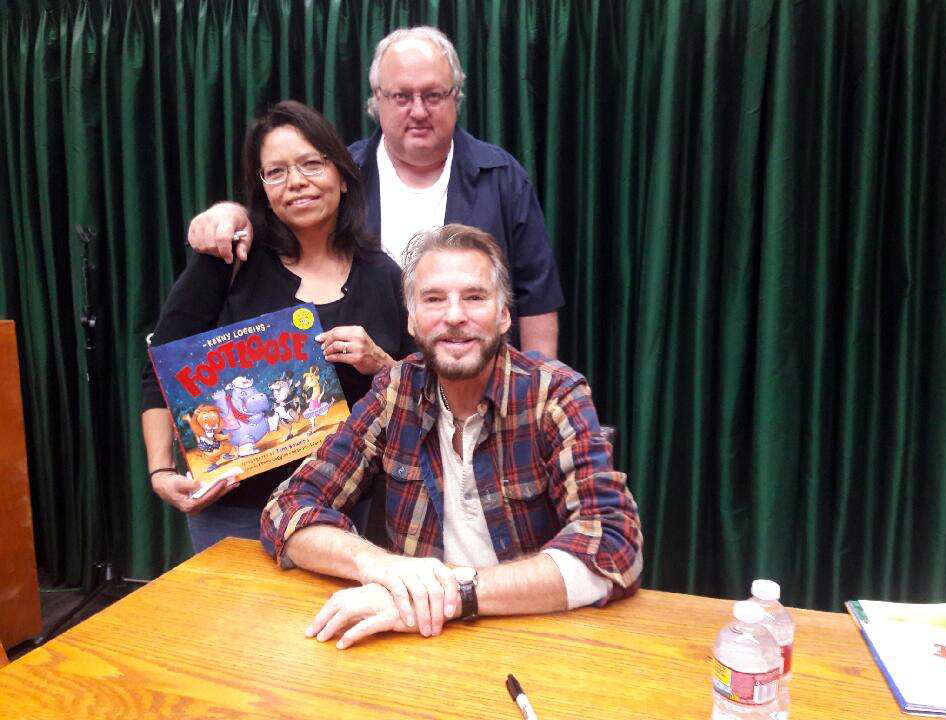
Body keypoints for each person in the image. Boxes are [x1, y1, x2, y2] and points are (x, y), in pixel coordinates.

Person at [260, 224, 642, 650]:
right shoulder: (396, 390)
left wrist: (454, 595)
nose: (455, 315)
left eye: (475, 297)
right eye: (434, 299)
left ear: (504, 315)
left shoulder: (553, 394)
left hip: (533, 637)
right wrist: (379, 565)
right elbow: (287, 507)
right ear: (412, 319)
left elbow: (614, 545)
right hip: (418, 640)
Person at [186, 26, 564, 358]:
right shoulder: (339, 177)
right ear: (376, 99)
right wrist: (232, 214)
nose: (419, 110)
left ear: (456, 96)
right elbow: (278, 218)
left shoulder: (502, 178)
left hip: (480, 388)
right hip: (370, 397)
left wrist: (536, 392)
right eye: (401, 96)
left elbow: (537, 298)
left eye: (433, 95)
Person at [142, 100, 416, 553]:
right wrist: (160, 471)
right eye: (277, 172)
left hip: (341, 509)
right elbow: (160, 367)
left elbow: (420, 392)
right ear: (262, 188)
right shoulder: (230, 260)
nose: (297, 182)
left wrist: (381, 363)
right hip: (232, 510)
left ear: (342, 175)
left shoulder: (383, 275)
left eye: (312, 164)